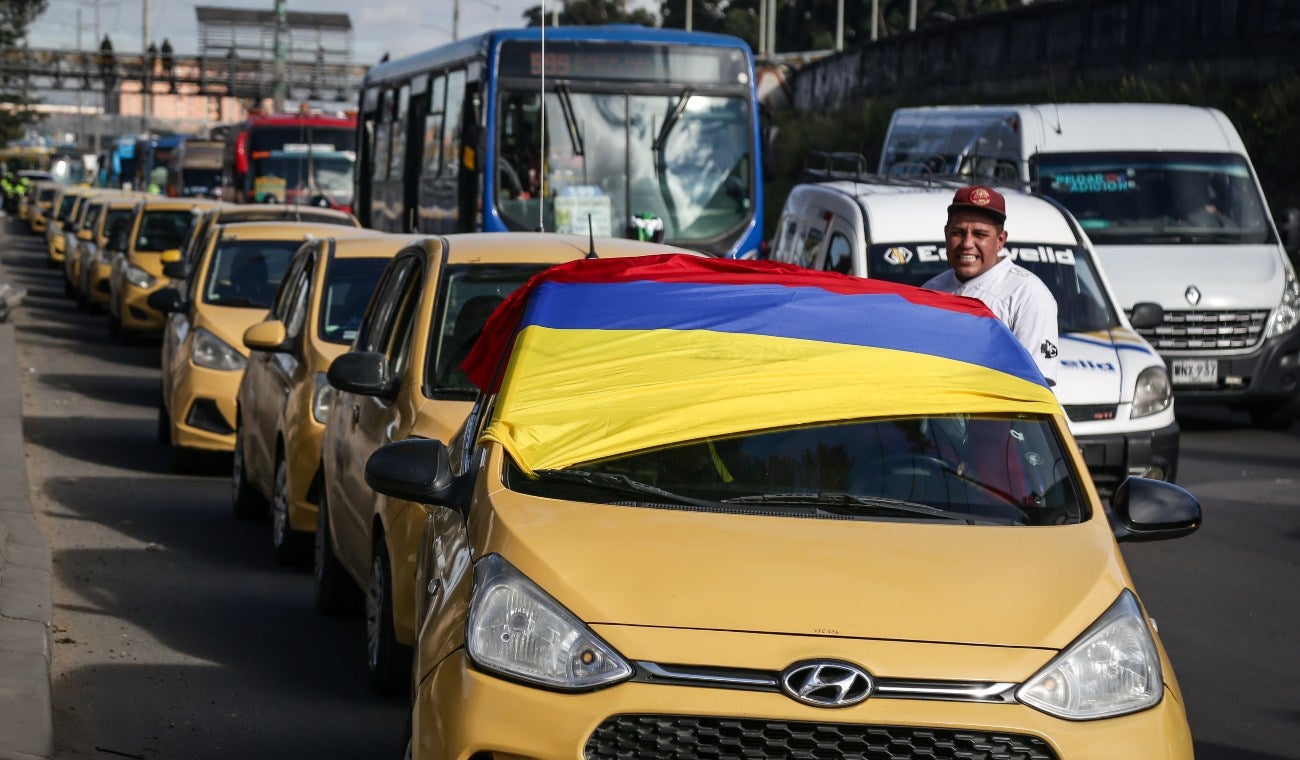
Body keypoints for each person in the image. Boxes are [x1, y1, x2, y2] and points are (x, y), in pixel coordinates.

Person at [923, 185, 1059, 386]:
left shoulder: (1027, 293)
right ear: (946, 234)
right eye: (958, 232)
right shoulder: (929, 291)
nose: (967, 243)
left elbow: (1033, 385)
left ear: (1000, 240)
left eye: (980, 235)